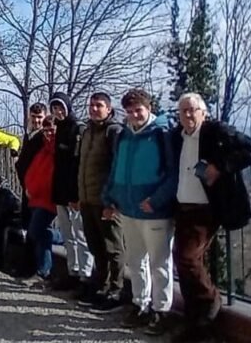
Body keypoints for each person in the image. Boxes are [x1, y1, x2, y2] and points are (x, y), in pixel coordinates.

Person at [170, 93, 251, 342]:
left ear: (203, 112)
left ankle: (211, 300)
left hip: (207, 208)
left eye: (192, 110)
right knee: (182, 262)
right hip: (183, 205)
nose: (187, 115)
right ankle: (195, 323)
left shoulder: (216, 131)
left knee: (188, 259)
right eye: (183, 110)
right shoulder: (178, 137)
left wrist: (219, 166)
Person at [103, 88, 178, 336]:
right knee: (136, 262)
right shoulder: (125, 135)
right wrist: (110, 197)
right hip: (129, 208)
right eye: (130, 111)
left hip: (154, 211)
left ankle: (162, 310)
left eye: (139, 110)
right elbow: (116, 169)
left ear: (149, 108)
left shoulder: (161, 133)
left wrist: (157, 200)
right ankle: (140, 305)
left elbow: (173, 172)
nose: (135, 115)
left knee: (160, 263)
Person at [77, 92, 125, 312]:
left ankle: (116, 290)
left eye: (99, 105)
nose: (94, 109)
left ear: (109, 108)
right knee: (96, 245)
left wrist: (113, 201)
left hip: (105, 200)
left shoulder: (113, 131)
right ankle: (101, 286)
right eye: (92, 105)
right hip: (87, 199)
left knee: (113, 247)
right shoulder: (87, 132)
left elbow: (118, 167)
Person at [49, 92, 93, 294]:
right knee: (68, 236)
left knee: (80, 235)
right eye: (55, 108)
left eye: (61, 108)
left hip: (74, 193)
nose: (58, 111)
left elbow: (78, 164)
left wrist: (76, 195)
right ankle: (72, 272)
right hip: (61, 191)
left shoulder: (78, 129)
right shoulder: (60, 129)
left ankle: (86, 276)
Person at [21, 115, 59, 282]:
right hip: (36, 197)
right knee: (39, 233)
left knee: (37, 231)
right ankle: (43, 270)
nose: (49, 133)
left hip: (48, 199)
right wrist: (28, 188)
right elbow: (33, 170)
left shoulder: (57, 150)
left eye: (51, 130)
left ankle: (60, 237)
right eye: (46, 130)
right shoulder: (44, 148)